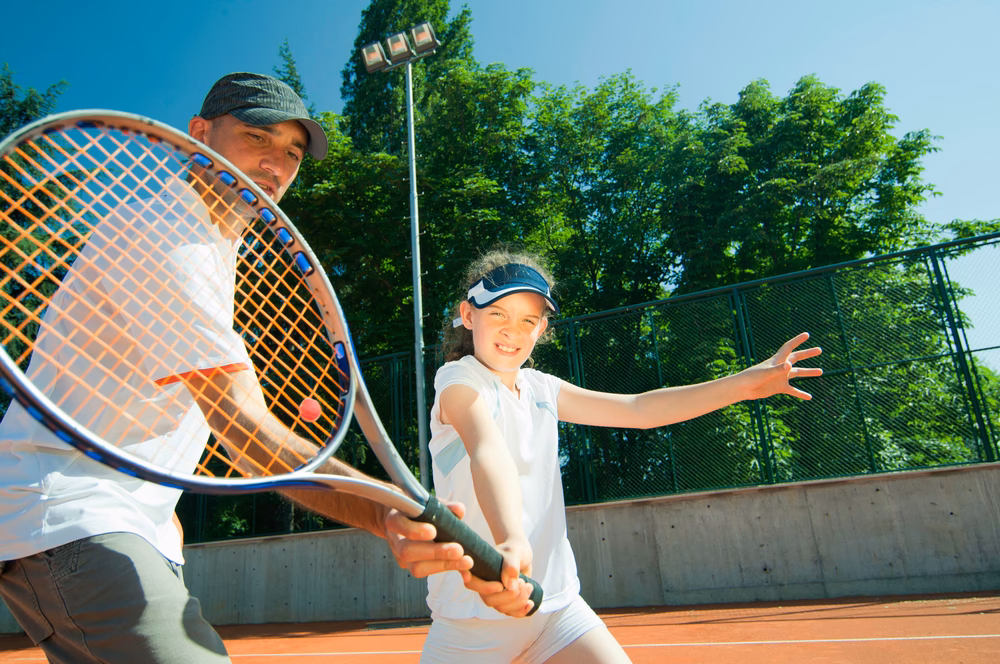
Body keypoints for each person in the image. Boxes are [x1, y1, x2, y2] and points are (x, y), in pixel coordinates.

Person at [0, 72, 474, 664]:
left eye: (292, 153)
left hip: (127, 522)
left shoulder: (210, 245)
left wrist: (161, 515)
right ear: (199, 134)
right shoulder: (170, 236)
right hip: (67, 510)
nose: (276, 165)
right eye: (257, 137)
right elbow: (249, 437)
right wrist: (386, 510)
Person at [421, 250, 824, 663]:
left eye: (528, 320)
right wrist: (511, 540)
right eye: (498, 314)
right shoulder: (459, 380)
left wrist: (742, 385)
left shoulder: (542, 389)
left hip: (555, 610)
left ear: (541, 328)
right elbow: (488, 450)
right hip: (472, 626)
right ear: (468, 315)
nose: (512, 330)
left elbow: (639, 409)